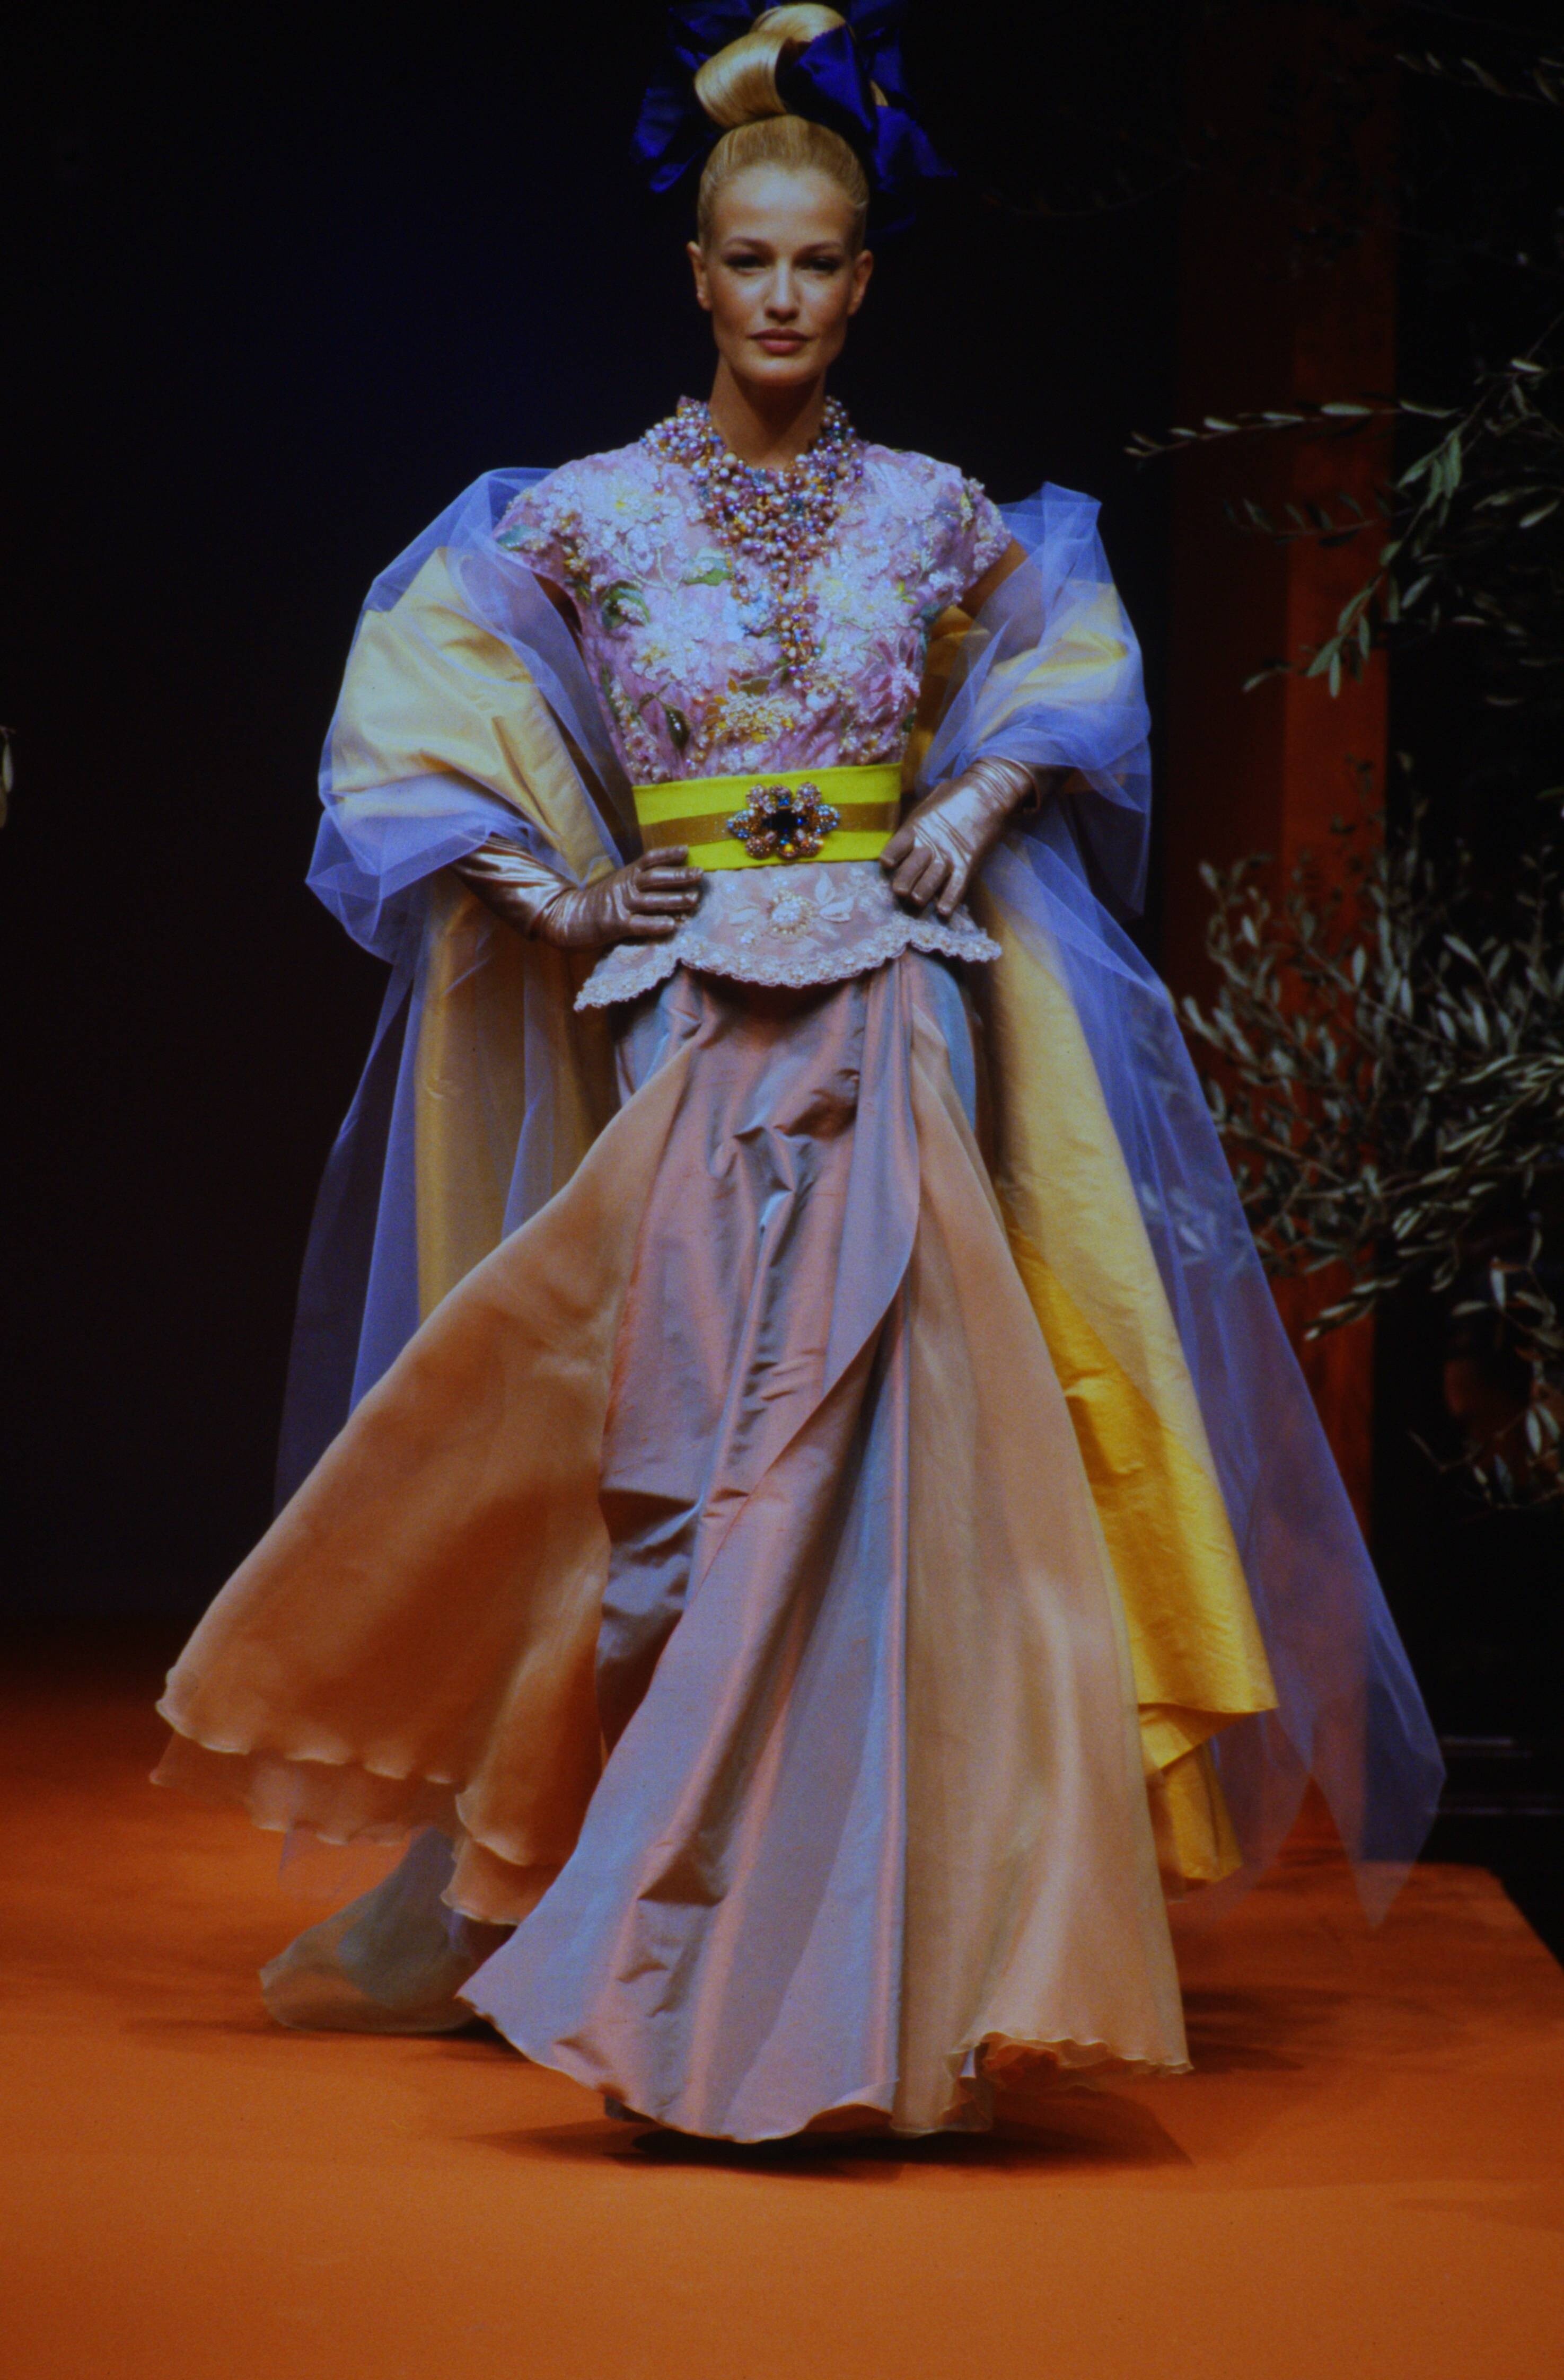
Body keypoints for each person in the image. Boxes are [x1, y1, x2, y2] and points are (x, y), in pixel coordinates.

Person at [154, 5, 1442, 2142]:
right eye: (746, 260)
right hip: (680, 1021)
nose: (779, 297)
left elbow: (1077, 664)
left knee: (889, 1484)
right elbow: (408, 712)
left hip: (892, 1004)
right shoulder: (583, 512)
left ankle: (869, 1989)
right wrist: (561, 893)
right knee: (676, 1488)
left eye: (817, 264)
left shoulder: (939, 514)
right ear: (696, 273)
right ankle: (663, 1947)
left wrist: (983, 791)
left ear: (862, 282)